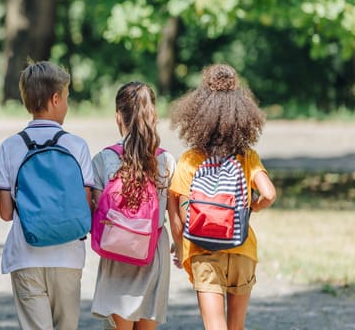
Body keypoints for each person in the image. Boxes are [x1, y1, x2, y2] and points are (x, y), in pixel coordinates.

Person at [168, 63, 276, 330]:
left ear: (198, 113)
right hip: (242, 248)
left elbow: (178, 211)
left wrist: (180, 247)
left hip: (203, 250)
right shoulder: (247, 157)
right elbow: (269, 193)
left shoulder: (191, 159)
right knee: (236, 326)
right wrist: (252, 207)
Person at [0, 60, 94, 330]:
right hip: (68, 257)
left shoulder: (10, 146)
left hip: (25, 255)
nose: (67, 106)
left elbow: (5, 213)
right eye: (66, 99)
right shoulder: (77, 145)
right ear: (55, 98)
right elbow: (85, 206)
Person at [91, 82, 177, 330]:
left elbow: (96, 212)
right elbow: (175, 214)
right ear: (153, 115)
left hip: (117, 248)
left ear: (118, 116)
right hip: (153, 248)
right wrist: (180, 248)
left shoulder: (104, 159)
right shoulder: (166, 160)